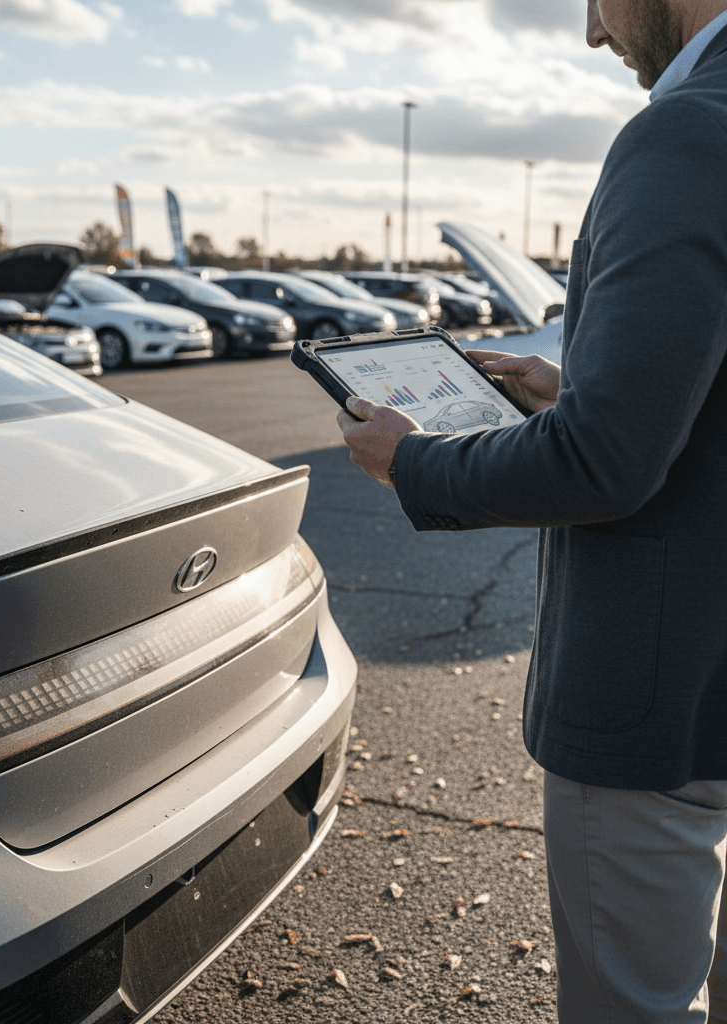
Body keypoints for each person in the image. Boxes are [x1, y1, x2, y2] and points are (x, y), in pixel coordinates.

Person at [336, 1, 727, 1019]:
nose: (592, 32)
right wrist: (578, 390)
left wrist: (414, 463)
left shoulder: (684, 129)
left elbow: (604, 464)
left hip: (661, 703)